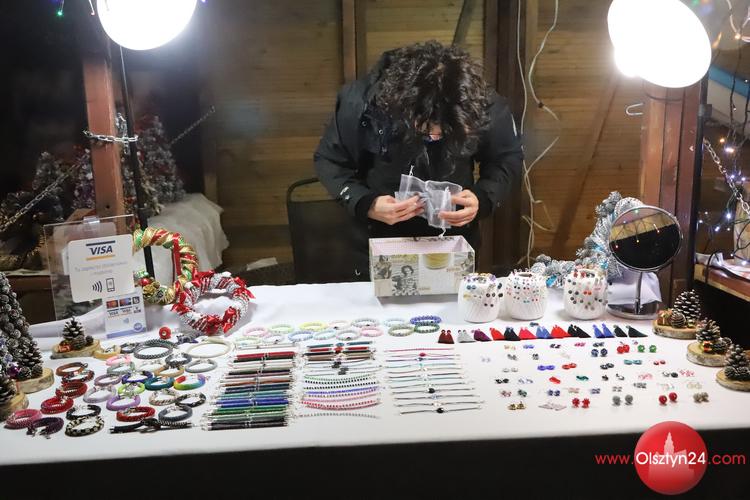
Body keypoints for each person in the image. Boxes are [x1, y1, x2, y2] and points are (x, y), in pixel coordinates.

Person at [314, 40, 523, 278]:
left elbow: (506, 157)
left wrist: (483, 198)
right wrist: (365, 203)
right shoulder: (361, 103)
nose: (434, 136)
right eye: (425, 128)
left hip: (454, 242)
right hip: (377, 240)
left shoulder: (481, 104)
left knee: (454, 302)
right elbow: (330, 160)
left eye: (446, 132)